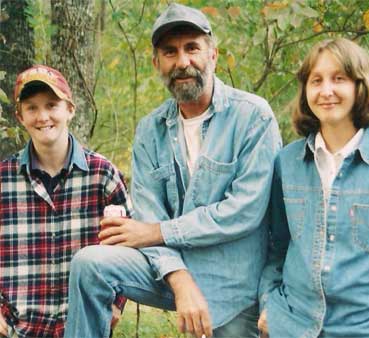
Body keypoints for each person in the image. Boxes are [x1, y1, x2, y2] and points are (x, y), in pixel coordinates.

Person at [64, 3, 281, 338]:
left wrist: (158, 232)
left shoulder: (253, 116)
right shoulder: (150, 130)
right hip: (170, 271)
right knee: (90, 264)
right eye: (170, 52)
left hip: (235, 284)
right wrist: (180, 281)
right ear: (156, 63)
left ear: (213, 54)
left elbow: (244, 212)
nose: (182, 62)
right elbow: (148, 216)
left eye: (192, 48)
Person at [258, 37, 369, 338]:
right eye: (316, 80)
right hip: (291, 326)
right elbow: (277, 246)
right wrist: (268, 307)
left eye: (339, 79)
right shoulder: (287, 162)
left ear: (360, 86)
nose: (326, 91)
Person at [0, 65, 133, 338]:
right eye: (32, 108)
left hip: (84, 324)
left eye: (52, 105)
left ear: (70, 109)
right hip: (18, 328)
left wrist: (117, 303)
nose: (43, 116)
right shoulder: (3, 179)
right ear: (20, 116)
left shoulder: (102, 175)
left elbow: (128, 246)